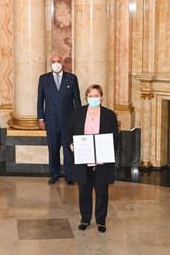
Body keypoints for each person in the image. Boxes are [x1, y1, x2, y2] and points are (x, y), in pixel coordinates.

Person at [65, 84, 118, 233]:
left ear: (101, 97)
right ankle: (85, 219)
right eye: (90, 96)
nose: (93, 99)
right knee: (84, 193)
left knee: (102, 192)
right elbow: (68, 133)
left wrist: (107, 155)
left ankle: (101, 221)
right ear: (86, 98)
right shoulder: (77, 113)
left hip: (102, 162)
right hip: (83, 161)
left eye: (96, 96)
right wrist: (71, 145)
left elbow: (114, 139)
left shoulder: (109, 115)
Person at [37, 54, 81, 185]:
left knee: (69, 150)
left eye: (58, 61)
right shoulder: (44, 79)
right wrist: (40, 118)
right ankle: (54, 174)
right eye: (53, 61)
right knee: (53, 149)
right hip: (51, 121)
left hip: (68, 121)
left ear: (63, 63)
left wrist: (78, 119)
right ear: (50, 64)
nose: (56, 63)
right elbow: (40, 100)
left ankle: (69, 176)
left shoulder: (72, 78)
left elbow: (77, 101)